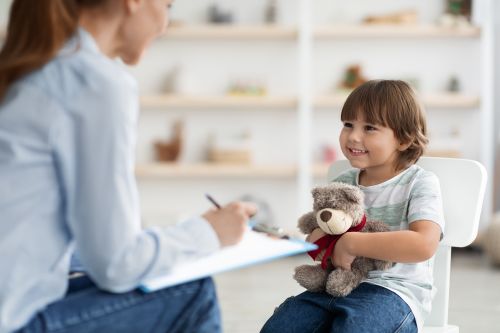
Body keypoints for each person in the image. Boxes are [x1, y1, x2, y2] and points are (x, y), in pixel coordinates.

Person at [0, 1, 257, 332]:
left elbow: (75, 246)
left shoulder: (29, 69)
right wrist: (210, 232)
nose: (165, 23)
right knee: (192, 292)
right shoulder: (94, 81)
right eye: (167, 5)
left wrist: (154, 242)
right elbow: (116, 265)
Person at [261, 80, 444, 333]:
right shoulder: (344, 183)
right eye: (348, 124)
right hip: (336, 286)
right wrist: (316, 240)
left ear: (403, 139)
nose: (353, 136)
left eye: (370, 128)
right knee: (284, 324)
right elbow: (323, 232)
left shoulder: (419, 183)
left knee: (354, 328)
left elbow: (423, 244)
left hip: (394, 293)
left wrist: (351, 243)